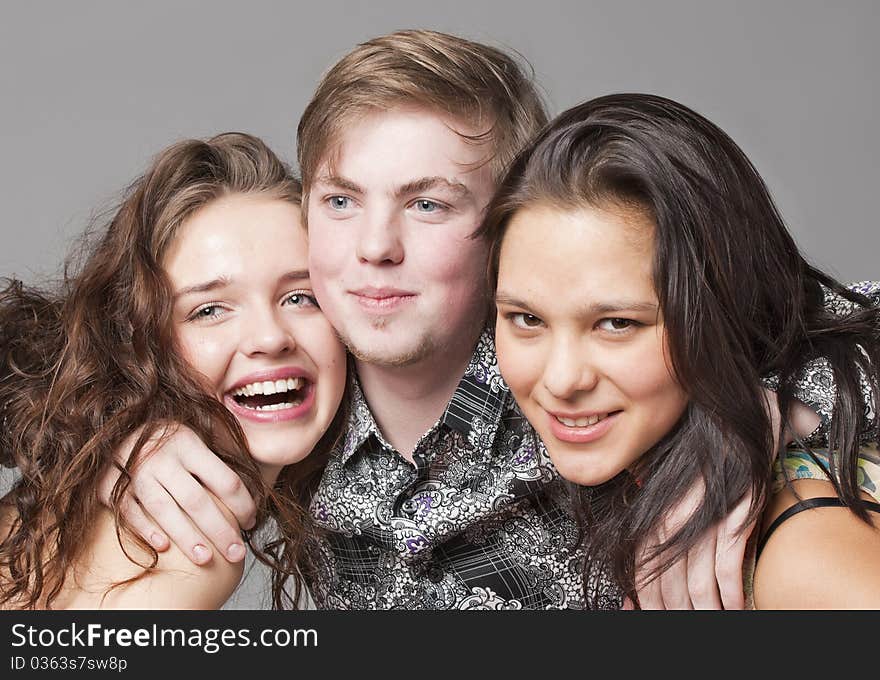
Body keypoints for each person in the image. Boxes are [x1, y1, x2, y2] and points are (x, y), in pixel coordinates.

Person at [88, 31, 848, 609]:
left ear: (508, 227)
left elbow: (851, 326)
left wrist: (757, 415)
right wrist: (122, 424)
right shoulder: (295, 395)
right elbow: (39, 363)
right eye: (342, 201)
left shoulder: (578, 394)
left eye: (427, 205)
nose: (376, 248)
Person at [480, 92, 880, 608]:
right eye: (527, 319)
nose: (561, 379)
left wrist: (772, 405)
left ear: (720, 312)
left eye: (617, 324)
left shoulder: (801, 551)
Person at [0, 132, 347, 609]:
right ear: (142, 341)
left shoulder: (95, 468)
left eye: (300, 297)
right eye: (209, 310)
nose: (271, 337)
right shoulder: (186, 541)